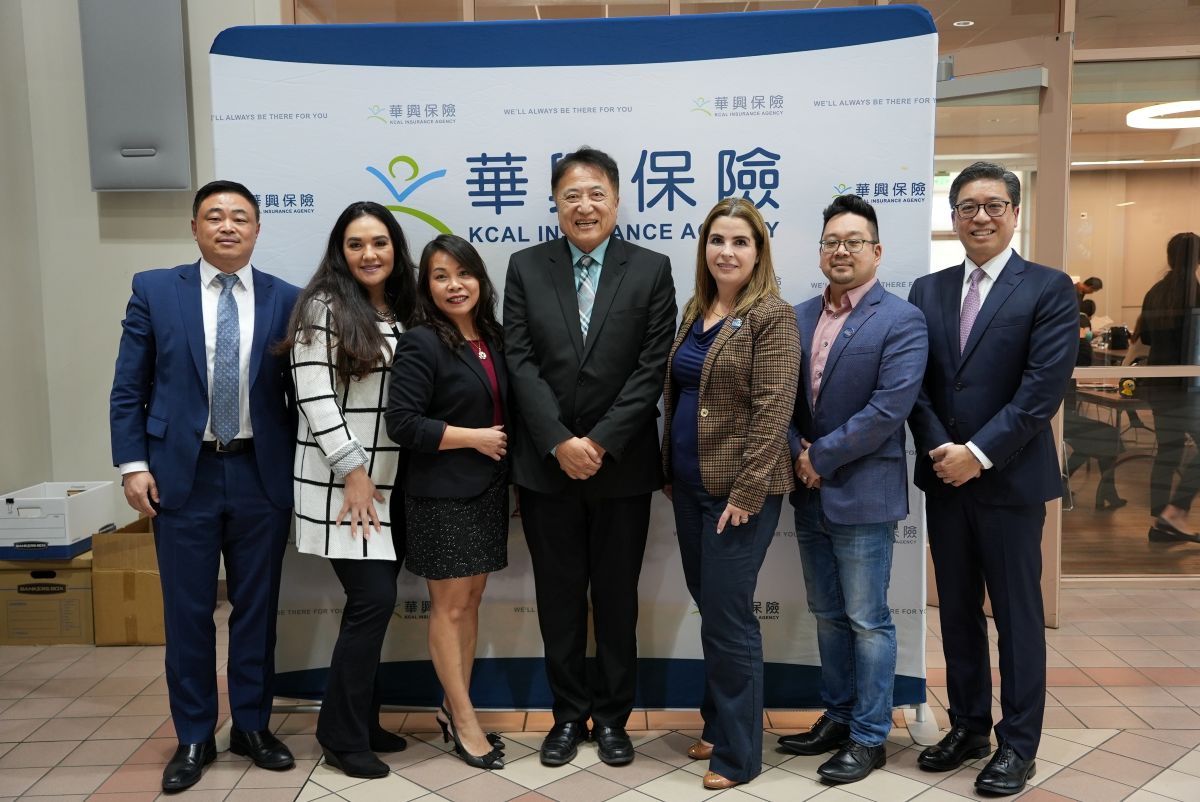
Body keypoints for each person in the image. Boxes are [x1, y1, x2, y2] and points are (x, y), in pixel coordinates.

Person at [109, 180, 301, 792]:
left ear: (258, 229)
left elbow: (301, 393)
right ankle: (194, 734)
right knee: (188, 612)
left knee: (257, 611)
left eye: (240, 217)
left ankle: (252, 726)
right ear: (194, 228)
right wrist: (132, 465)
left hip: (259, 474)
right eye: (214, 216)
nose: (227, 226)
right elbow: (129, 386)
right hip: (179, 475)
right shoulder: (155, 289)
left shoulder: (287, 298)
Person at [907, 162, 1078, 796]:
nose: (980, 216)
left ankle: (1018, 745)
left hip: (1010, 481)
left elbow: (1042, 391)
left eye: (994, 205)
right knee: (955, 611)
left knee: (1016, 615)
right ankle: (969, 727)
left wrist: (977, 453)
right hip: (945, 479)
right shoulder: (928, 290)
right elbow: (916, 384)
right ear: (953, 217)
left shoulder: (1048, 288)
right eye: (968, 207)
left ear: (1014, 212)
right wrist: (942, 451)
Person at [503, 146, 677, 767]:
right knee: (558, 600)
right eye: (571, 195)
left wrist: (598, 442)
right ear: (555, 203)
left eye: (596, 193)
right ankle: (567, 715)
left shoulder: (651, 269)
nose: (584, 206)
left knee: (616, 600)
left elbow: (651, 368)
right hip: (546, 468)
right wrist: (559, 441)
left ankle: (612, 719)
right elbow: (519, 361)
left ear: (617, 201)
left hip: (620, 467)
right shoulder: (525, 267)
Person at [777, 195, 927, 784]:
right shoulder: (797, 317)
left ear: (877, 251)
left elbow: (888, 409)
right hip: (808, 490)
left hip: (863, 492)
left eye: (854, 241)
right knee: (827, 614)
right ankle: (838, 717)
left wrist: (819, 457)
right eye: (831, 242)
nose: (841, 250)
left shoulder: (901, 319)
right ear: (820, 252)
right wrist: (799, 453)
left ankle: (869, 736)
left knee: (867, 619)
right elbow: (780, 401)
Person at [660, 197, 799, 790]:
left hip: (739, 495)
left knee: (729, 617)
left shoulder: (772, 316)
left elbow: (774, 409)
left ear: (759, 250)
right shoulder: (697, 307)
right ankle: (718, 726)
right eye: (717, 240)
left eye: (740, 241)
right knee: (713, 608)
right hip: (690, 487)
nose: (727, 251)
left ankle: (739, 756)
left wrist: (746, 491)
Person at [283, 201, 416, 779]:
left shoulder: (401, 308)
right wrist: (354, 472)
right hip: (345, 486)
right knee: (372, 602)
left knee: (375, 608)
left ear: (396, 249)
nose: (369, 254)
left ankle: (363, 721)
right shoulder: (323, 306)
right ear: (340, 251)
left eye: (379, 242)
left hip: (393, 483)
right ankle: (339, 735)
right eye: (356, 244)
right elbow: (314, 397)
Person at [386, 234, 510, 770]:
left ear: (480, 279)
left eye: (463, 274)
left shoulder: (492, 337)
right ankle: (463, 720)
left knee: (471, 602)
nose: (454, 285)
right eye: (440, 276)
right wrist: (472, 438)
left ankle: (451, 705)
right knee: (450, 606)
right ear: (427, 286)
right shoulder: (421, 342)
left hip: (488, 490)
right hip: (441, 495)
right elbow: (402, 423)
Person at [1142, 232, 1200, 543]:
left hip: (1158, 383)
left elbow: (1147, 338)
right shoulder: (1195, 292)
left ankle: (1160, 520)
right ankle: (1174, 513)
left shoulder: (1156, 292)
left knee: (1169, 450)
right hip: (1184, 386)